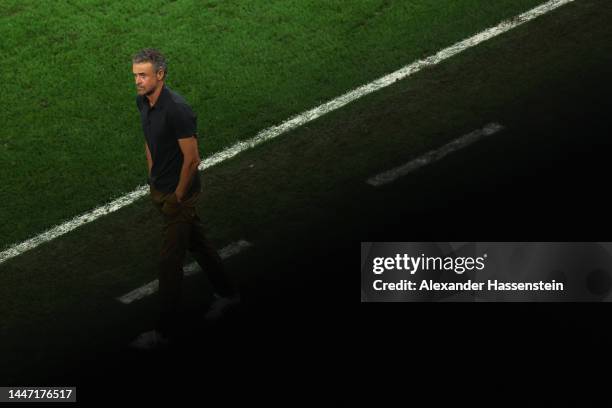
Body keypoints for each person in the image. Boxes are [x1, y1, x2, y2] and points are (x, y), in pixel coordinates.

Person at [129, 48, 239, 350]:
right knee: (199, 243)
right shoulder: (143, 102)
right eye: (135, 75)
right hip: (161, 189)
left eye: (143, 75)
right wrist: (153, 176)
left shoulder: (177, 109)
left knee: (169, 261)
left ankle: (164, 331)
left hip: (180, 195)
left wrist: (178, 196)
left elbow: (192, 160)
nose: (137, 81)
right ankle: (228, 294)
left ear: (160, 75)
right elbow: (149, 140)